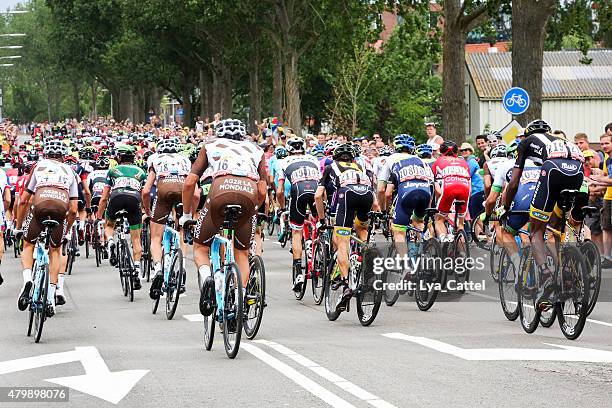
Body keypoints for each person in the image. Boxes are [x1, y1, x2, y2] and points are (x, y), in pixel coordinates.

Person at [180, 119, 266, 316]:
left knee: (201, 247)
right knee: (242, 253)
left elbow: (189, 183)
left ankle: (208, 277)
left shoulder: (210, 144)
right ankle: (239, 299)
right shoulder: (256, 149)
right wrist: (253, 210)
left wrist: (186, 215)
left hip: (221, 189)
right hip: (249, 191)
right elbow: (262, 189)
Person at [503, 119, 585, 307]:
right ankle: (567, 271)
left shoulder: (525, 142)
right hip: (578, 172)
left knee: (536, 231)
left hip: (554, 169)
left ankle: (547, 276)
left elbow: (514, 182)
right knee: (555, 225)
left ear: (526, 134)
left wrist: (507, 207)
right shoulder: (559, 139)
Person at [15, 139, 79, 315]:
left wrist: (19, 227)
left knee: (28, 245)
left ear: (46, 154)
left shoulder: (39, 166)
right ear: (63, 156)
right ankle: (51, 297)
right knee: (56, 250)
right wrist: (65, 231)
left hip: (41, 201)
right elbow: (73, 210)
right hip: (61, 206)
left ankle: (28, 280)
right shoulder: (70, 171)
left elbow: (23, 200)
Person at [315, 143, 375, 311]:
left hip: (346, 196)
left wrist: (321, 219)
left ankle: (346, 282)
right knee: (362, 230)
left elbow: (318, 195)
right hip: (367, 195)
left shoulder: (329, 167)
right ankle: (367, 258)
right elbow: (374, 198)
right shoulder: (361, 166)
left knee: (342, 242)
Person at [143, 138, 192, 299]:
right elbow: (196, 192)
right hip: (183, 190)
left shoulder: (155, 159)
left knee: (156, 238)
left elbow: (146, 191)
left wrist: (148, 211)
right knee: (182, 232)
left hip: (163, 189)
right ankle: (182, 266)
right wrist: (188, 214)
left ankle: (157, 269)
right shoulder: (185, 159)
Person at [96, 144, 146, 290]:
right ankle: (136, 269)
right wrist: (144, 210)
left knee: (109, 226)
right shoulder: (141, 171)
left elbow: (104, 197)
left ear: (119, 157)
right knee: (136, 239)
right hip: (134, 199)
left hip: (116, 197)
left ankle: (111, 242)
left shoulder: (112, 171)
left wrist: (99, 217)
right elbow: (144, 195)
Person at [378, 135, 434, 266]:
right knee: (419, 221)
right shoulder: (420, 160)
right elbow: (432, 185)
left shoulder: (391, 159)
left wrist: (384, 211)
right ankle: (429, 250)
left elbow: (382, 190)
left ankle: (406, 267)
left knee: (398, 230)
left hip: (405, 192)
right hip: (425, 192)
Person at [276, 136, 320, 293]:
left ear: (288, 150)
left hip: (298, 191)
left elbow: (280, 191)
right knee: (320, 223)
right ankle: (322, 249)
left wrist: (281, 208)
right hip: (316, 190)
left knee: (296, 231)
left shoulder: (284, 162)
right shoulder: (314, 159)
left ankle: (298, 273)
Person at [432, 141, 471, 242]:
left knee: (439, 220)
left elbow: (436, 186)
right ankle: (462, 252)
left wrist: (437, 200)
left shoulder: (438, 161)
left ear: (441, 151)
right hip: (465, 189)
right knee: (460, 223)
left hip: (449, 188)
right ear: (456, 152)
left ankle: (444, 240)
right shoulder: (463, 162)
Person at [460, 142, 485, 220]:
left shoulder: (472, 161)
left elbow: (466, 175)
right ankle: (478, 232)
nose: (464, 151)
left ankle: (483, 232)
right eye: (462, 150)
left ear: (470, 151)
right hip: (475, 192)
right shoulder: (468, 161)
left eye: (466, 150)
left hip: (477, 191)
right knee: (474, 216)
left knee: (476, 216)